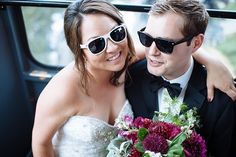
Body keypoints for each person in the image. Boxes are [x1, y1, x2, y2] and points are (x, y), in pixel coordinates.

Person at [32, 0, 236, 157]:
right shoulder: (64, 89)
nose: (112, 48)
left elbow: (170, 49)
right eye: (97, 45)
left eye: (117, 33)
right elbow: (40, 144)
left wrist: (212, 62)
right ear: (80, 50)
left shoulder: (126, 63)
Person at [125, 0, 236, 156]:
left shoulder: (222, 101)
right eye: (146, 38)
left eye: (164, 44)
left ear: (196, 43)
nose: (151, 52)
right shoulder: (130, 77)